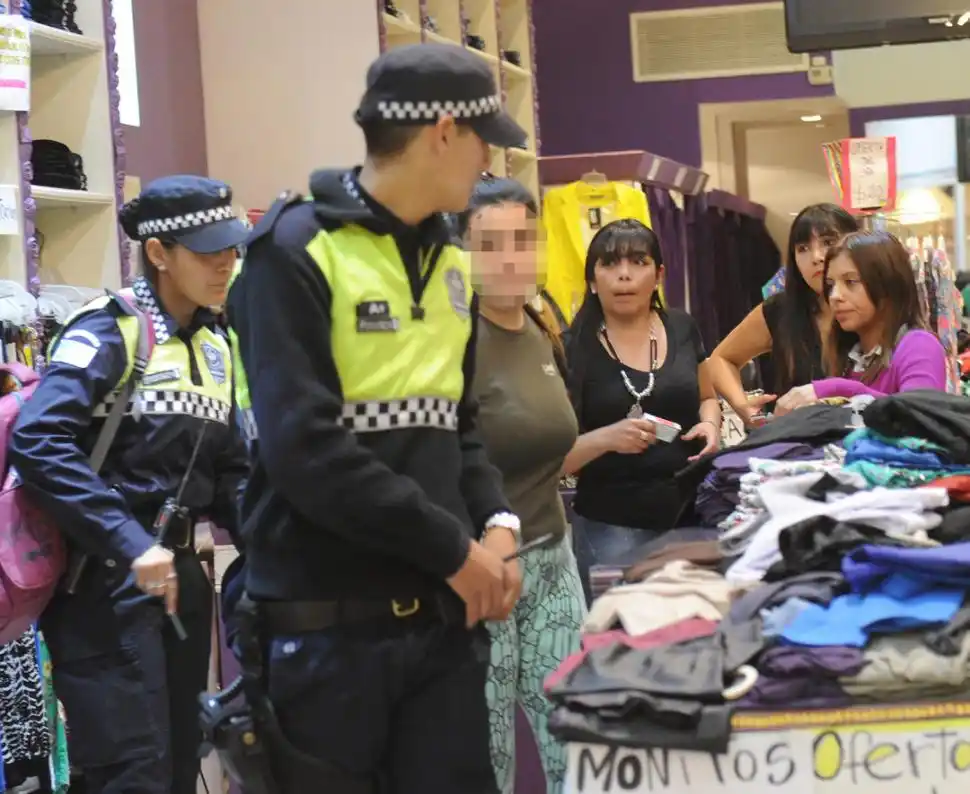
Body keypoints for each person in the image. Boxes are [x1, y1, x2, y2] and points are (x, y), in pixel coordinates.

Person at [226, 42, 528, 794]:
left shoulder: (454, 262)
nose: (490, 161)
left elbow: (456, 425)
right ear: (444, 132)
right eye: (485, 139)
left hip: (440, 631)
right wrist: (456, 551)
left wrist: (498, 522)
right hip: (327, 634)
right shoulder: (294, 250)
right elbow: (308, 453)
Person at [9, 176, 251, 794]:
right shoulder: (108, 329)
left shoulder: (219, 343)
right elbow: (38, 441)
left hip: (181, 586)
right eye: (207, 252)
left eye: (231, 249)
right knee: (129, 775)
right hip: (105, 588)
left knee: (177, 767)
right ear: (159, 253)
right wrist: (127, 539)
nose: (225, 264)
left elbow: (230, 476)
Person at [460, 176, 585, 794]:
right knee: (488, 757)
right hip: (480, 574)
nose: (509, 256)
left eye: (521, 239)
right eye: (491, 243)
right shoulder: (451, 343)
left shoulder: (543, 329)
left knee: (577, 742)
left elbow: (552, 451)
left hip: (554, 562)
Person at [562, 218, 721, 605]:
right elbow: (556, 458)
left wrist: (710, 425)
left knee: (692, 631)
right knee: (619, 638)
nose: (624, 276)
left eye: (638, 262)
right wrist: (607, 439)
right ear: (592, 279)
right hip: (611, 523)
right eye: (610, 264)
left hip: (691, 514)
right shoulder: (572, 347)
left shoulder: (682, 327)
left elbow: (708, 396)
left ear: (659, 274)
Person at [708, 203, 859, 426]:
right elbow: (720, 359)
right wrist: (743, 407)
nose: (816, 257)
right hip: (795, 447)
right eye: (803, 249)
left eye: (828, 243)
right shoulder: (780, 310)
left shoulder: (873, 306)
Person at [775, 231, 946, 413]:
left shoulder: (918, 345)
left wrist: (839, 389)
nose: (835, 296)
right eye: (831, 285)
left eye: (850, 282)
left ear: (887, 285)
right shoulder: (849, 358)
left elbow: (919, 417)